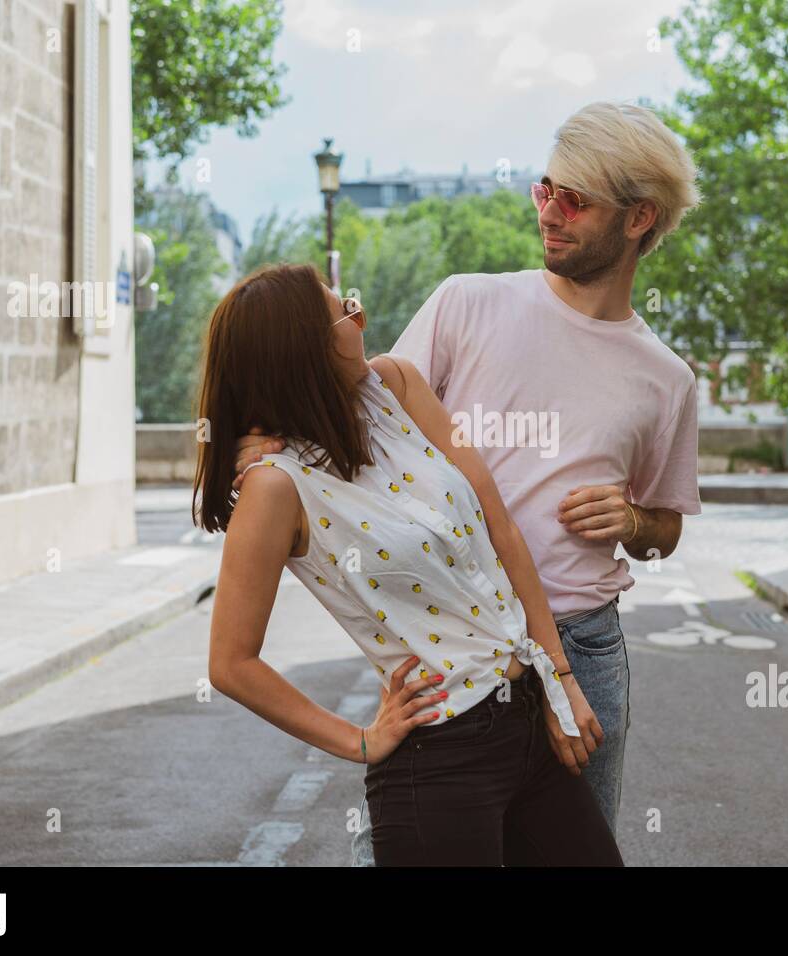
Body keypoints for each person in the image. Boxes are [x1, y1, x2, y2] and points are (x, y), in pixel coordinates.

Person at [233, 101, 704, 866]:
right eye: (544, 189)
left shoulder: (667, 379)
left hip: (581, 643)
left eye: (575, 200)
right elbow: (359, 415)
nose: (549, 212)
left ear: (639, 218)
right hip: (458, 644)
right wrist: (252, 437)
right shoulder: (466, 303)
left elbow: (669, 527)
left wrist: (634, 521)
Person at [198, 261, 623, 866]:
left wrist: (562, 682)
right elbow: (231, 663)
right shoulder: (275, 487)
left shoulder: (397, 387)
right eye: (343, 313)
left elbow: (499, 526)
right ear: (299, 353)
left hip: (529, 720)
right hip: (441, 759)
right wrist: (361, 740)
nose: (360, 315)